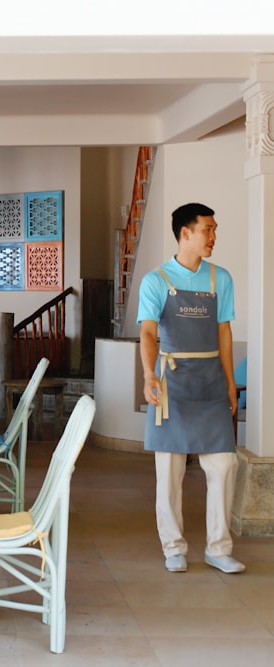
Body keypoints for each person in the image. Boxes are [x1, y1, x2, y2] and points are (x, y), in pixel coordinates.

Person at [138, 202, 243, 574]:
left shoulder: (221, 279)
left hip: (211, 381)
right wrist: (150, 374)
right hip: (171, 383)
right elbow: (148, 332)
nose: (214, 236)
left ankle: (219, 547)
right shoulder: (156, 281)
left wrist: (231, 384)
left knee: (224, 464)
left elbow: (224, 335)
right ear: (186, 233)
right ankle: (173, 547)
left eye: (214, 230)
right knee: (169, 471)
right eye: (208, 230)